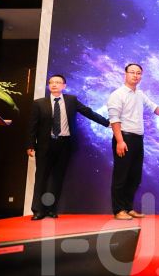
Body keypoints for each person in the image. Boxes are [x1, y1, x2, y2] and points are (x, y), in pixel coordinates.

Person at [26, 74, 110, 220]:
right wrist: (30, 144)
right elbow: (32, 126)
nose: (54, 85)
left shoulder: (71, 100)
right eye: (51, 82)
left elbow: (88, 112)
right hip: (45, 145)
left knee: (57, 178)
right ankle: (38, 210)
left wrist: (107, 122)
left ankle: (51, 209)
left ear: (64, 86)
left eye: (58, 82)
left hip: (64, 145)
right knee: (41, 178)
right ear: (48, 85)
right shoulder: (39, 103)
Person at [107, 63, 159, 220]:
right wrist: (120, 141)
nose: (135, 75)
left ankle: (128, 207)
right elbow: (114, 119)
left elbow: (153, 107)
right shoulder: (117, 94)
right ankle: (118, 210)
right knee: (121, 175)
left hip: (138, 139)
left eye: (138, 73)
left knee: (134, 176)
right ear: (125, 74)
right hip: (124, 138)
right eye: (132, 72)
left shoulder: (139, 94)